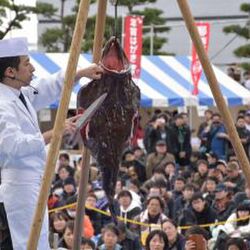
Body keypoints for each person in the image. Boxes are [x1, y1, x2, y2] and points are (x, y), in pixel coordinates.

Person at [0, 37, 103, 250]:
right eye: (26, 63)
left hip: (33, 182)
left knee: (38, 242)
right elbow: (12, 146)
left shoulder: (19, 93)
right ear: (10, 71)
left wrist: (79, 74)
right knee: (29, 244)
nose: (33, 68)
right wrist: (55, 133)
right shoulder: (3, 103)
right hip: (20, 184)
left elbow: (46, 87)